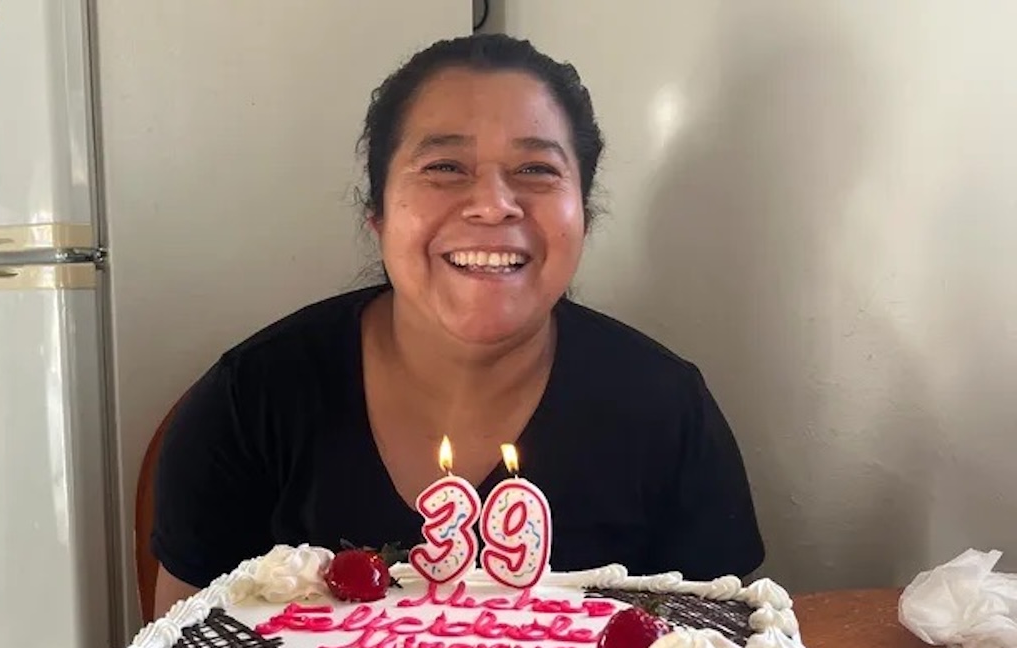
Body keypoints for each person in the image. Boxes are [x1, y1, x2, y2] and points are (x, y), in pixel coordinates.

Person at [151, 33, 764, 616]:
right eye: (444, 166)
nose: (494, 204)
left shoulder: (666, 411)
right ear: (378, 214)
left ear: (583, 213)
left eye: (536, 170)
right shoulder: (249, 403)